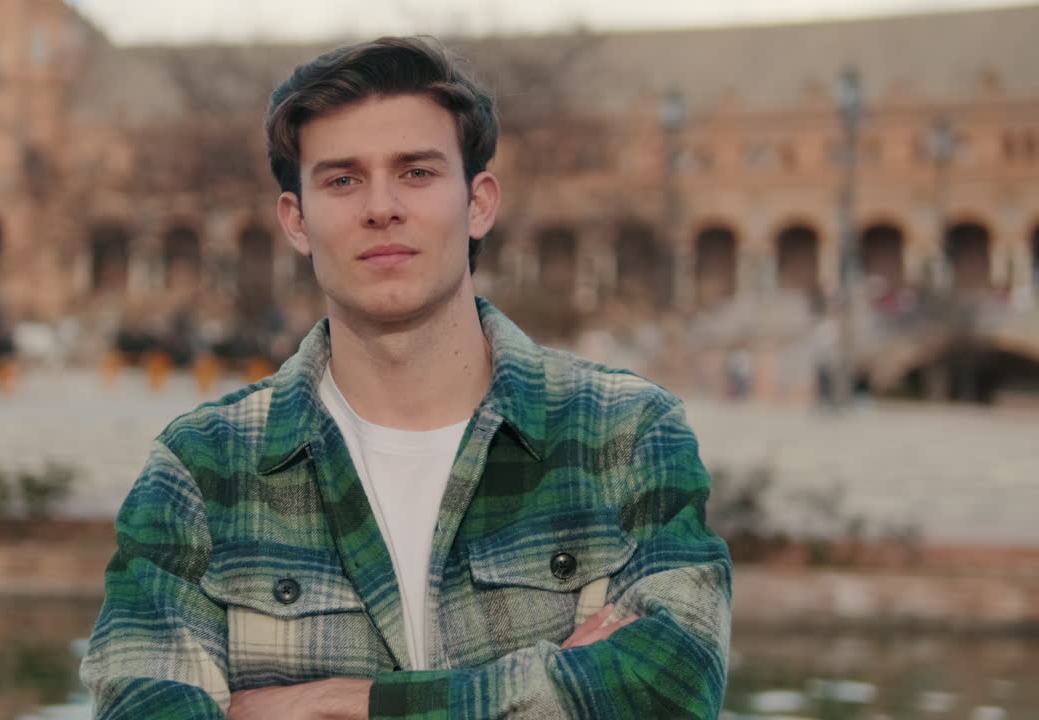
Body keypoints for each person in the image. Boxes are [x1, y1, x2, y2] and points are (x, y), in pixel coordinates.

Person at [81, 37, 731, 719]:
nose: (381, 206)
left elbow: (670, 688)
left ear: (478, 203)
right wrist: (552, 690)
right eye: (342, 180)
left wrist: (339, 702)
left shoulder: (623, 433)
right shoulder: (202, 469)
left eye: (417, 172)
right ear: (296, 221)